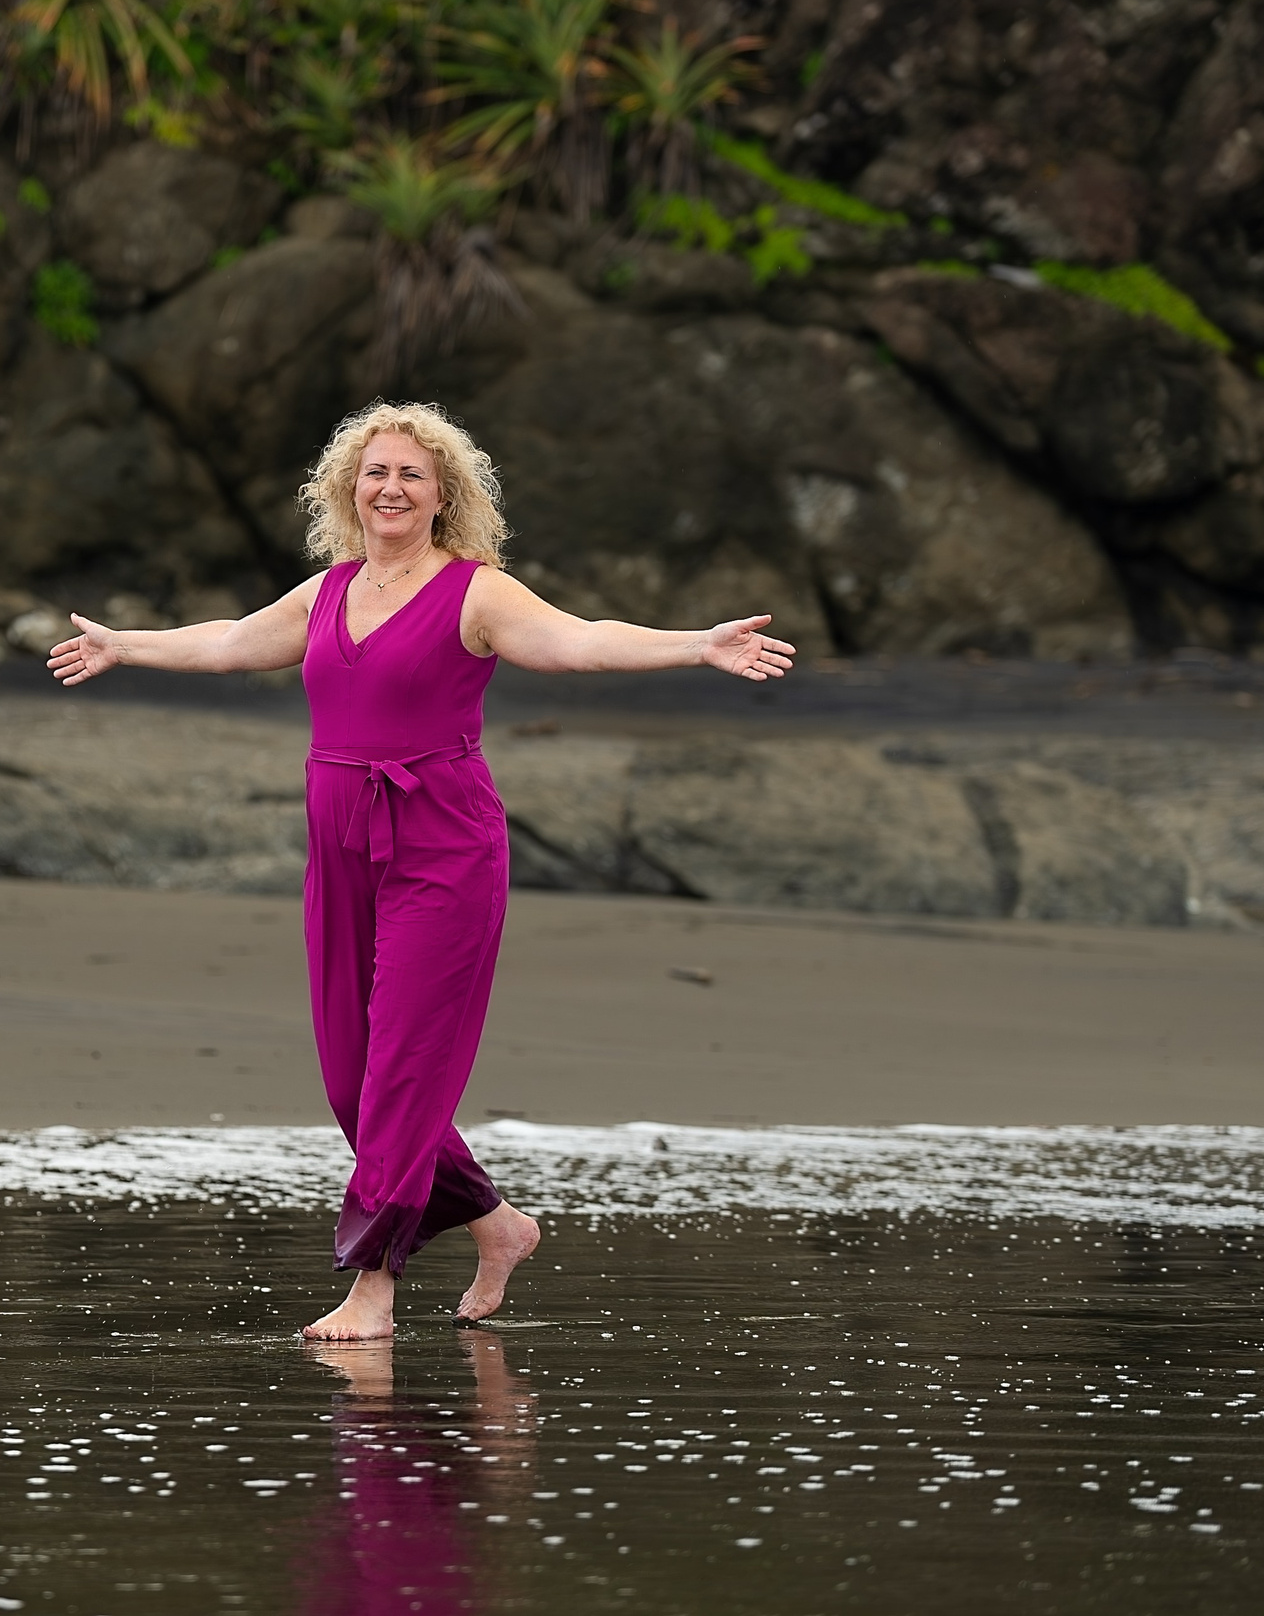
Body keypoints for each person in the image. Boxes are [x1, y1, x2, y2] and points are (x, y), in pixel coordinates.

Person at [47, 401, 795, 1339]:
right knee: (352, 1076)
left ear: (444, 495)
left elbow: (577, 640)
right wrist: (125, 645)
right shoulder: (328, 592)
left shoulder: (476, 591)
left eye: (412, 475)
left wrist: (697, 644)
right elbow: (234, 639)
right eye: (376, 472)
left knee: (402, 1067)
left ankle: (374, 1281)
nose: (391, 487)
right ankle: (497, 1223)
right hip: (342, 843)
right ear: (347, 488)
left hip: (442, 844)